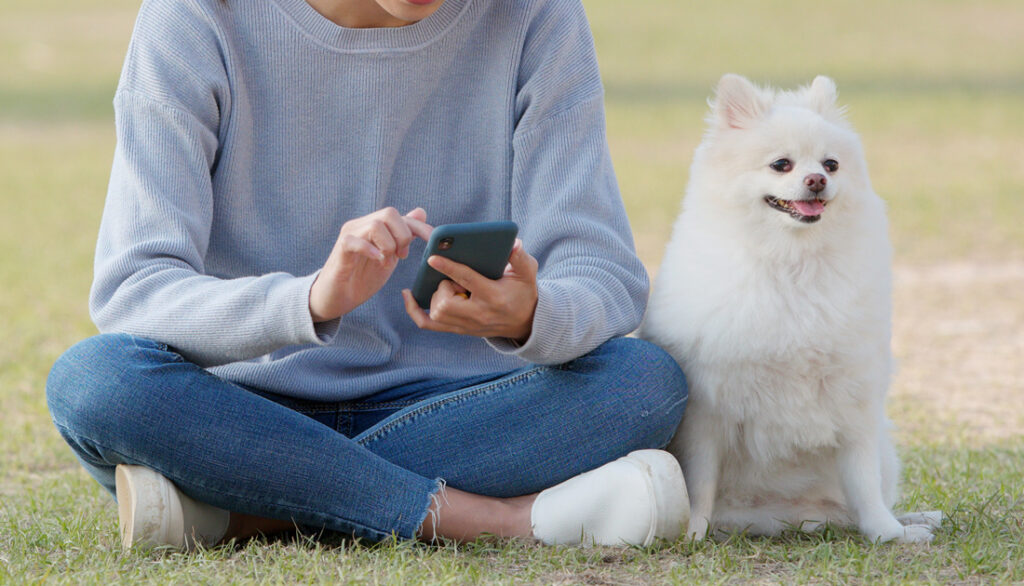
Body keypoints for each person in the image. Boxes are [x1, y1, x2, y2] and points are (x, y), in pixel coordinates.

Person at [46, 0, 690, 550]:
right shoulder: (194, 17)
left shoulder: (535, 15)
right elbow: (135, 289)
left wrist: (530, 315)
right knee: (95, 381)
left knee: (641, 384)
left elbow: (602, 271)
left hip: (459, 409)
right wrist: (308, 302)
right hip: (241, 405)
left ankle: (249, 508)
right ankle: (495, 519)